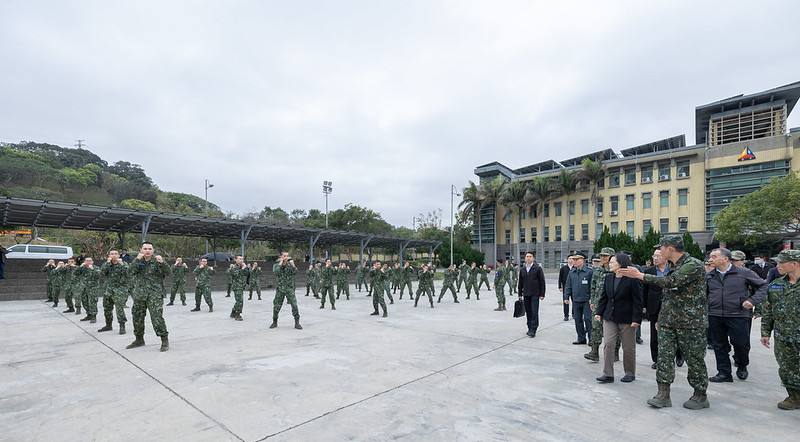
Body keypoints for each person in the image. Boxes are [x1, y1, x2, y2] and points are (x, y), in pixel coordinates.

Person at [619, 235, 709, 410]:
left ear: (670, 248)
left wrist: (641, 276)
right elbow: (668, 296)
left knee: (695, 359)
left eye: (661, 248)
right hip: (669, 321)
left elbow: (671, 282)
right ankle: (663, 394)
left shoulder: (693, 264)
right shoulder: (674, 266)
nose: (658, 251)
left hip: (691, 323)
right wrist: (661, 317)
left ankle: (700, 395)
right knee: (664, 358)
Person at [706, 248, 767, 383]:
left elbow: (763, 286)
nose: (711, 259)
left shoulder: (743, 273)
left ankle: (742, 364)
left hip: (738, 314)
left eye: (714, 256)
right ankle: (724, 373)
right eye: (710, 256)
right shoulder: (710, 275)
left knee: (741, 344)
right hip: (715, 314)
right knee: (719, 345)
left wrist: (752, 301)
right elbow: (704, 294)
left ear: (725, 259)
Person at [760, 249, 800, 410]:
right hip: (784, 335)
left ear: (794, 264)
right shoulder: (775, 285)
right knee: (787, 367)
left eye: (781, 263)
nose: (778, 266)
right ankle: (795, 397)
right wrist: (765, 332)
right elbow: (768, 310)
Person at [594, 253, 643, 383]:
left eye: (612, 262)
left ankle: (629, 372)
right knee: (608, 344)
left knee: (628, 347)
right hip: (609, 316)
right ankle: (608, 374)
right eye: (609, 262)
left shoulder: (632, 279)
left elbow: (638, 300)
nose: (609, 264)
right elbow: (604, 297)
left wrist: (636, 319)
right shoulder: (608, 278)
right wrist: (599, 312)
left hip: (627, 318)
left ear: (621, 263)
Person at [643, 249, 684, 369]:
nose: (654, 258)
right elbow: (644, 291)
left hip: (672, 307)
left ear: (665, 257)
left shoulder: (674, 271)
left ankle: (679, 354)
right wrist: (645, 306)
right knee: (655, 335)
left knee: (675, 333)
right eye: (653, 256)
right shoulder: (648, 271)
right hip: (654, 307)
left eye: (657, 256)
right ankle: (656, 359)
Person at [126, 242, 170, 352]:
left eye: (150, 248)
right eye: (145, 248)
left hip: (154, 295)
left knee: (157, 317)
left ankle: (164, 340)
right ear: (141, 250)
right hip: (140, 294)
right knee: (137, 317)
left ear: (153, 250)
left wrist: (163, 262)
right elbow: (129, 272)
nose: (147, 250)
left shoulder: (158, 261)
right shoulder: (137, 261)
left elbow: (169, 272)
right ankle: (139, 339)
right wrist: (136, 260)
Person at [585, 248, 616, 362]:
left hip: (612, 304)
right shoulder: (597, 270)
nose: (602, 258)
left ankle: (615, 353)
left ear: (612, 257)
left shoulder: (615, 270)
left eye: (605, 256)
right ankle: (594, 351)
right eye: (601, 255)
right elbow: (592, 286)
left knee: (613, 330)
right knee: (595, 327)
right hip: (598, 303)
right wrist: (592, 301)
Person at [564, 253, 593, 345]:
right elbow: (568, 286)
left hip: (587, 300)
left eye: (577, 260)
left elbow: (593, 286)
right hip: (576, 300)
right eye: (573, 259)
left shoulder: (589, 272)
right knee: (577, 320)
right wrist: (566, 297)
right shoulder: (572, 272)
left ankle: (591, 339)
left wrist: (592, 298)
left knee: (588, 319)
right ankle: (581, 338)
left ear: (583, 260)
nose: (574, 261)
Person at [99, 250, 129, 334]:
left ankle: (122, 325)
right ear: (109, 255)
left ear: (119, 255)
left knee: (119, 309)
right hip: (108, 290)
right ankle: (108, 325)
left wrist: (122, 264)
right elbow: (102, 273)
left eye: (115, 254)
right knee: (107, 308)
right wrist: (108, 262)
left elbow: (128, 273)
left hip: (120, 290)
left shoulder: (124, 264)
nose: (114, 255)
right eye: (112, 254)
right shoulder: (107, 264)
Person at [270, 252, 302, 329]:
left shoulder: (290, 265)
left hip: (289, 288)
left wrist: (293, 264)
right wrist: (281, 262)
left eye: (287, 256)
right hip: (280, 289)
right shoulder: (276, 265)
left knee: (294, 305)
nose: (286, 257)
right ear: (281, 257)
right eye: (284, 256)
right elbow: (276, 272)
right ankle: (275, 322)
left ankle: (297, 322)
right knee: (276, 306)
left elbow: (295, 272)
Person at [518, 252, 546, 338]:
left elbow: (542, 282)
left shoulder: (537, 268)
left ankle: (533, 329)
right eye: (527, 256)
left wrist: (542, 294)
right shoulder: (522, 269)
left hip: (535, 294)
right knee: (528, 312)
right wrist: (519, 293)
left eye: (530, 256)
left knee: (534, 312)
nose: (528, 258)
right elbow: (520, 283)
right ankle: (529, 327)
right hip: (526, 294)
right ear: (525, 258)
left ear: (533, 258)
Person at [75, 257, 101, 323]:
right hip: (84, 288)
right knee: (84, 302)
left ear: (92, 262)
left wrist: (92, 269)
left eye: (90, 261)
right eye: (87, 261)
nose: (88, 262)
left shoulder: (96, 268)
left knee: (92, 302)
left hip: (93, 288)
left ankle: (93, 316)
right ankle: (88, 314)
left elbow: (98, 275)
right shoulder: (82, 268)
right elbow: (75, 273)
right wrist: (80, 266)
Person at [228, 255, 249, 320]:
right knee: (240, 301)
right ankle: (237, 315)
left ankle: (233, 312)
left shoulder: (242, 266)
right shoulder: (233, 267)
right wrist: (243, 268)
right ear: (235, 260)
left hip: (241, 286)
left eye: (242, 259)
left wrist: (246, 268)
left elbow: (247, 273)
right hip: (236, 286)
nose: (241, 260)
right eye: (240, 259)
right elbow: (236, 275)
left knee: (238, 301)